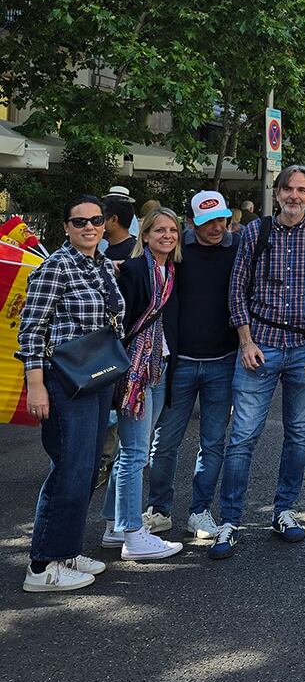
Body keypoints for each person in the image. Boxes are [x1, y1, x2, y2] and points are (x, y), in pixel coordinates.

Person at [212, 164, 305, 560]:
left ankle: (285, 511)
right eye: (288, 189)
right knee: (243, 436)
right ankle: (230, 519)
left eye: (302, 190)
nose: (295, 196)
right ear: (278, 192)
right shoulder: (254, 231)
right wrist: (245, 340)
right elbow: (237, 290)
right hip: (261, 346)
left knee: (298, 434)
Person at [18, 196, 124, 593]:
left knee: (86, 469)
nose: (88, 227)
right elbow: (30, 331)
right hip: (64, 380)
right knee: (69, 469)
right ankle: (42, 565)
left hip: (95, 378)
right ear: (66, 227)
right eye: (79, 222)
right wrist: (36, 386)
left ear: (104, 224)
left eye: (95, 220)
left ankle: (66, 550)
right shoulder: (55, 267)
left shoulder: (100, 266)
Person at [145, 191, 236, 541]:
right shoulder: (176, 251)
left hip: (222, 361)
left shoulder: (237, 248)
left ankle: (199, 511)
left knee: (213, 442)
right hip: (179, 362)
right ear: (190, 222)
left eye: (221, 219)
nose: (216, 227)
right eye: (206, 221)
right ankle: (159, 509)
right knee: (165, 440)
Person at [100, 206, 184, 561]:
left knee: (128, 452)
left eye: (173, 230)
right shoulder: (134, 270)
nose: (167, 235)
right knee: (135, 454)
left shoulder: (169, 271)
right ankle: (134, 535)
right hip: (134, 372)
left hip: (158, 367)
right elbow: (117, 321)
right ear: (145, 235)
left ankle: (113, 525)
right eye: (159, 230)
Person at [102, 191, 138, 263]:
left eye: (101, 219)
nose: (96, 225)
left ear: (114, 220)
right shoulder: (133, 249)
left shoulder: (133, 254)